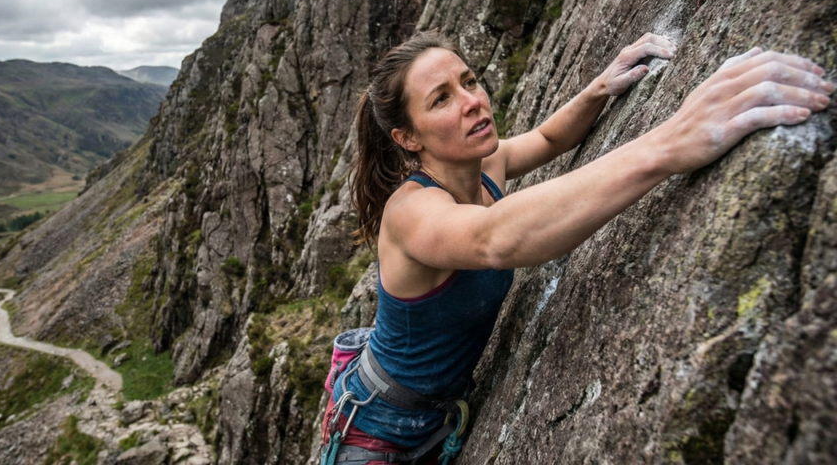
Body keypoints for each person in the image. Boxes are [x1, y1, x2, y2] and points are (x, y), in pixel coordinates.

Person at [320, 30, 831, 465]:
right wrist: (668, 143)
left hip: (434, 410)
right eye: (441, 99)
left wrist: (599, 88)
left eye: (469, 81)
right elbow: (493, 237)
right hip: (380, 430)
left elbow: (545, 139)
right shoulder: (410, 213)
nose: (473, 100)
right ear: (408, 138)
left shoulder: (484, 163)